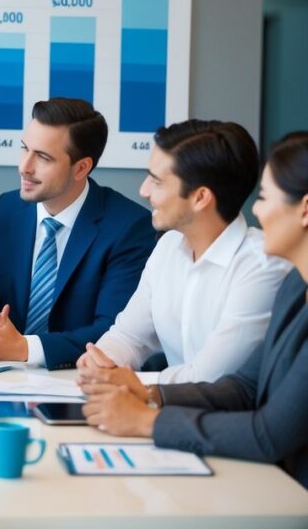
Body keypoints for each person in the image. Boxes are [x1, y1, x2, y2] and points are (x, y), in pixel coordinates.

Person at [80, 132, 308, 490]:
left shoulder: (268, 268)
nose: (257, 210)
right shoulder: (297, 286)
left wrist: (145, 419)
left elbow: (267, 431)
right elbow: (245, 386)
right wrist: (141, 389)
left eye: (264, 197)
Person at [77, 120, 291, 388]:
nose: (144, 191)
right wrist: (101, 360)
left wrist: (128, 380)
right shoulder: (168, 247)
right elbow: (129, 336)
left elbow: (210, 379)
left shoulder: (262, 266)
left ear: (200, 197)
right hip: (167, 410)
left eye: (157, 182)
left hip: (221, 422)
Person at [0, 98, 156, 368]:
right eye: (24, 149)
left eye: (43, 157)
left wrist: (26, 348)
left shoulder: (128, 226)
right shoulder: (8, 209)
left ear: (81, 167)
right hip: (4, 373)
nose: (25, 166)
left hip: (77, 380)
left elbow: (113, 330)